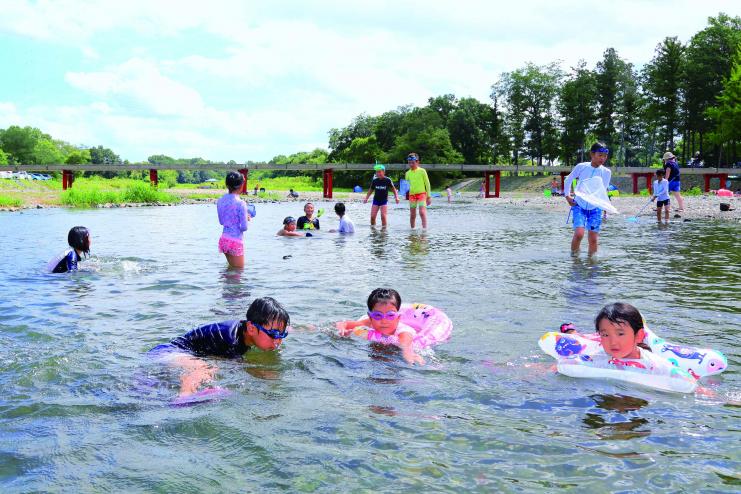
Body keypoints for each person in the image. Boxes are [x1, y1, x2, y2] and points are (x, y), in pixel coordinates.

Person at [149, 297, 290, 397]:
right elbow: (237, 367)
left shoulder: (248, 330)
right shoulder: (231, 339)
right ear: (252, 328)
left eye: (282, 335)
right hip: (168, 352)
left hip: (179, 354)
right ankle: (184, 398)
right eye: (273, 335)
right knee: (205, 368)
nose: (277, 341)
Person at [335, 288, 425, 365]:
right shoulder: (368, 322)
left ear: (398, 317)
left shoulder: (404, 332)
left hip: (393, 354)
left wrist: (409, 355)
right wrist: (342, 331)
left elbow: (406, 345)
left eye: (390, 315)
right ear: (370, 317)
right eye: (378, 315)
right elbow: (343, 324)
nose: (384, 321)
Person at [563, 142, 613, 256]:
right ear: (592, 154)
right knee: (579, 234)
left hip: (595, 208)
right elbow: (568, 179)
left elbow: (602, 190)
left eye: (605, 156)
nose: (603, 158)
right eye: (600, 155)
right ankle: (575, 259)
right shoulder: (581, 167)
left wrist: (605, 206)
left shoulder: (606, 172)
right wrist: (567, 196)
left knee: (593, 238)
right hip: (579, 205)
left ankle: (592, 263)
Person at [216, 171, 250, 268]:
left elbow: (222, 221)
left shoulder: (220, 200)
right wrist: (246, 218)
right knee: (238, 273)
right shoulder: (241, 203)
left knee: (231, 270)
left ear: (227, 185)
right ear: (241, 185)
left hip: (224, 239)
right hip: (235, 241)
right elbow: (244, 227)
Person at [404, 152, 431, 229]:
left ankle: (424, 229)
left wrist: (429, 196)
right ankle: (412, 229)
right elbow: (406, 186)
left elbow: (427, 184)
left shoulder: (422, 171)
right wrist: (406, 195)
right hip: (411, 195)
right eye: (409, 163)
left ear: (417, 162)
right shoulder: (407, 173)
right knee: (412, 214)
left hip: (422, 194)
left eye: (413, 163)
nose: (411, 164)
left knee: (422, 212)